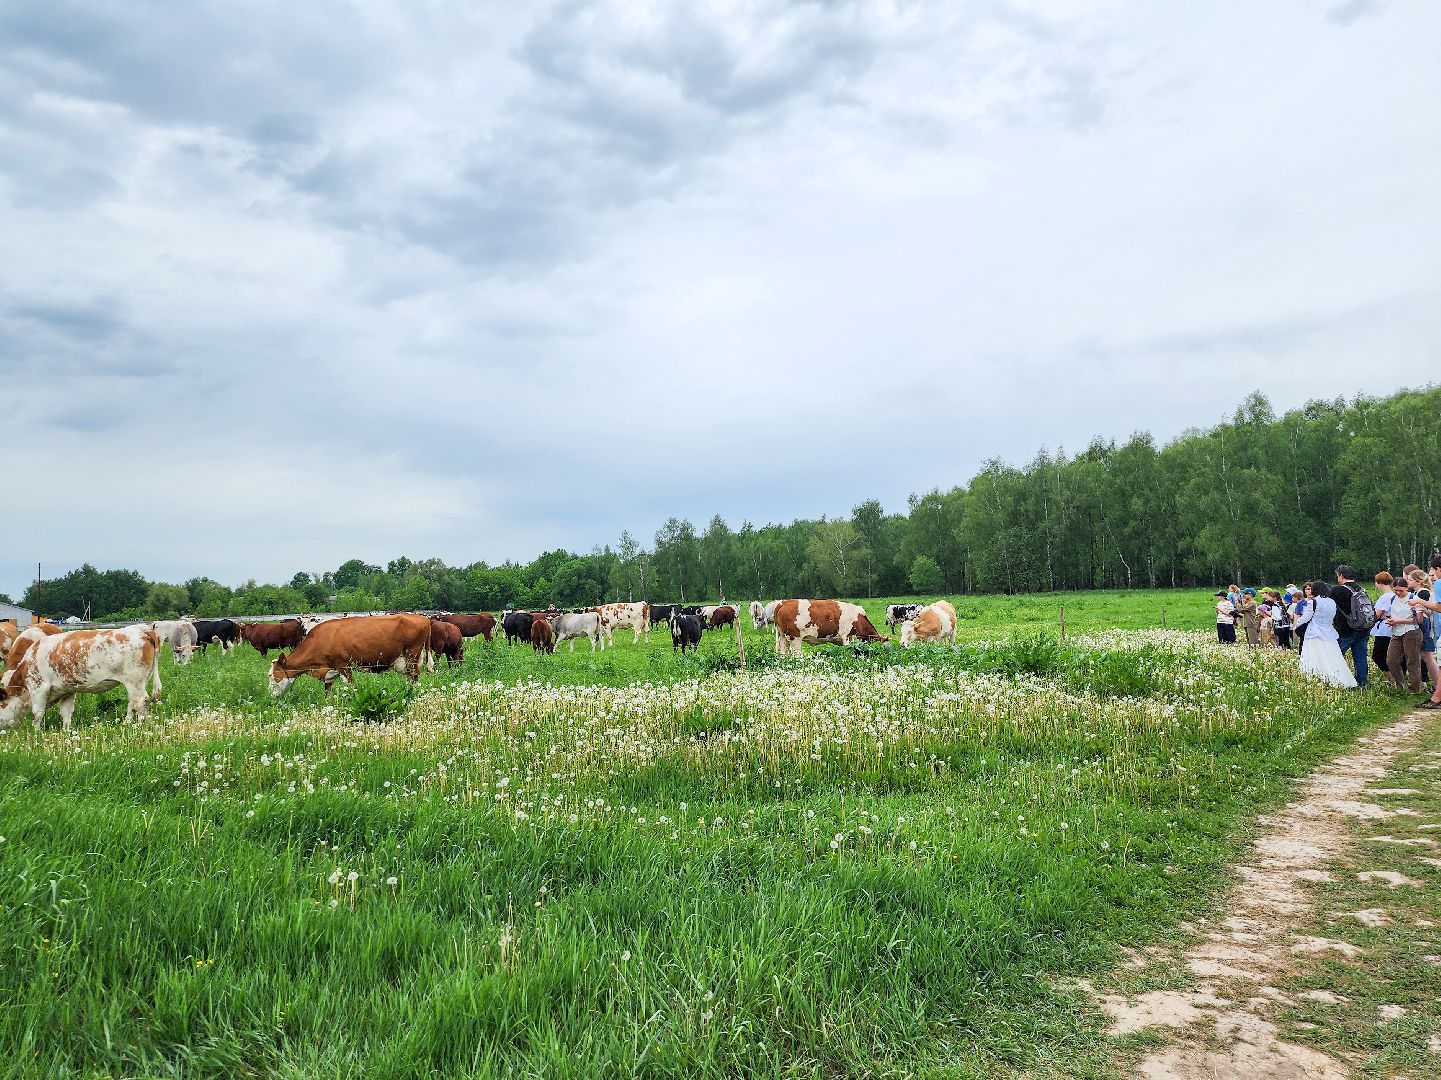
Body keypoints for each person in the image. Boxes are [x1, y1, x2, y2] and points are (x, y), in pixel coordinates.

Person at [1293, 580, 1357, 688]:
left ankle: (1316, 678)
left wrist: (1297, 623)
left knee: (1314, 657)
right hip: (1329, 632)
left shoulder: (1313, 602)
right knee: (1332, 657)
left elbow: (1306, 617)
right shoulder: (1332, 602)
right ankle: (1337, 678)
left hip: (1314, 633)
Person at [1331, 564, 1372, 688]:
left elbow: (1332, 608)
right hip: (1363, 628)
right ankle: (1362, 683)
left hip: (1345, 629)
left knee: (1336, 656)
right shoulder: (1361, 590)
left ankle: (1338, 680)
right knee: (1360, 658)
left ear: (1341, 576)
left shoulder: (1338, 590)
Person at [1384, 578, 1422, 692]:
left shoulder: (1413, 598)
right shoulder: (1392, 598)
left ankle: (1415, 688)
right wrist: (1392, 621)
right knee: (1391, 660)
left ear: (1406, 588)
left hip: (1411, 632)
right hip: (1396, 632)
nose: (1398, 593)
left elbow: (1419, 620)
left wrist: (1398, 621)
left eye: (1401, 590)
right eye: (1395, 590)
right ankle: (1400, 685)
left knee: (1412, 660)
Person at [1370, 571, 1395, 676]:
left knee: (1378, 656)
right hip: (1390, 628)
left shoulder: (1385, 597)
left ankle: (1391, 679)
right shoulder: (1393, 595)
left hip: (1384, 630)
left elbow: (1377, 614)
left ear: (1379, 582)